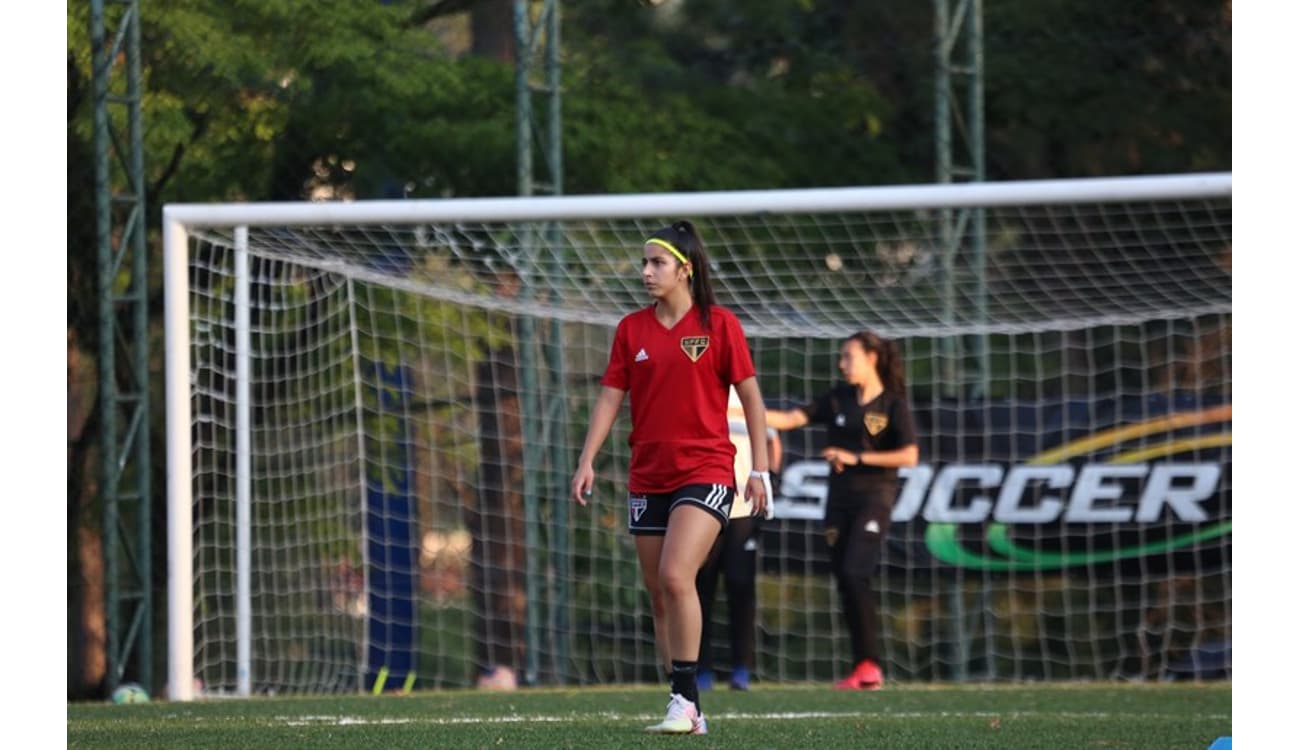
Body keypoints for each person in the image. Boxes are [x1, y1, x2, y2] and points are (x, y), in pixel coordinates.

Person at [570, 220, 772, 735]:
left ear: (686, 268)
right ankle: (687, 705)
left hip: (706, 471)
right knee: (659, 594)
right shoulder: (631, 330)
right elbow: (611, 397)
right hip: (648, 476)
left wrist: (761, 471)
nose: (645, 272)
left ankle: (684, 702)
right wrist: (587, 458)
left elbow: (749, 396)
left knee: (677, 576)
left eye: (656, 263)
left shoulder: (720, 324)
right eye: (643, 263)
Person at [765, 330, 919, 690]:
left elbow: (910, 456)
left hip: (874, 499)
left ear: (871, 358)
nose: (842, 364)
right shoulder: (838, 399)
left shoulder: (893, 404)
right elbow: (790, 419)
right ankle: (863, 667)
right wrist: (734, 404)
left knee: (854, 571)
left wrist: (856, 457)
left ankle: (870, 665)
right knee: (847, 581)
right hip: (837, 504)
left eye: (849, 356)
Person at [695, 387, 782, 692]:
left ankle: (741, 668)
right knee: (700, 588)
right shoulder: (699, 389)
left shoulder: (745, 393)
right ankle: (699, 668)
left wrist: (769, 476)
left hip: (743, 510)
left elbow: (772, 438)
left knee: (740, 586)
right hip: (705, 506)